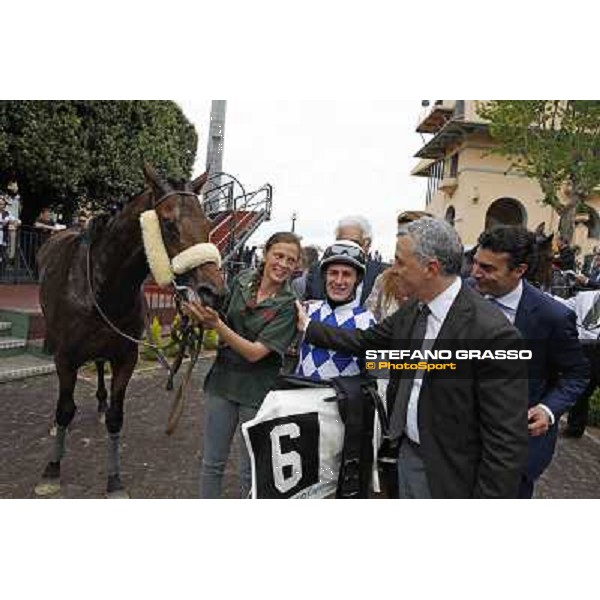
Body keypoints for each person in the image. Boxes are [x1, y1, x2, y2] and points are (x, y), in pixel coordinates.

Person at [298, 217, 529, 498]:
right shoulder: (416, 309)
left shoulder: (493, 334)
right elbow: (365, 341)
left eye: (400, 262)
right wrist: (309, 326)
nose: (393, 271)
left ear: (430, 268)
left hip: (450, 475)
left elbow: (505, 441)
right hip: (405, 458)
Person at [471, 225, 589, 498]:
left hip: (514, 455)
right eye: (476, 262)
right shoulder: (464, 294)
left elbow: (577, 373)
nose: (475, 273)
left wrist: (548, 409)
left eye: (487, 268)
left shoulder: (553, 317)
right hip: (457, 446)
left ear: (519, 271)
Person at [183, 231, 301, 498]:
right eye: (278, 255)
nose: (283, 264)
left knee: (251, 471)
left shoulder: (288, 306)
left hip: (257, 393)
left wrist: (217, 325)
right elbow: (219, 311)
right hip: (223, 384)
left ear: (296, 266)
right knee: (212, 464)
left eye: (291, 260)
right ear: (266, 254)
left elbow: (255, 353)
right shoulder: (241, 281)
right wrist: (197, 313)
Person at [295, 240, 375, 380]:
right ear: (324, 276)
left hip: (341, 401)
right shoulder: (307, 310)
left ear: (357, 279)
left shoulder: (368, 321)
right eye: (333, 273)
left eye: (346, 274)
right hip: (299, 398)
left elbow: (378, 373)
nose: (338, 281)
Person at [303, 215, 385, 304]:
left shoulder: (383, 275)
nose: (347, 247)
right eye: (342, 242)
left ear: (367, 244)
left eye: (353, 243)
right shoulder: (316, 270)